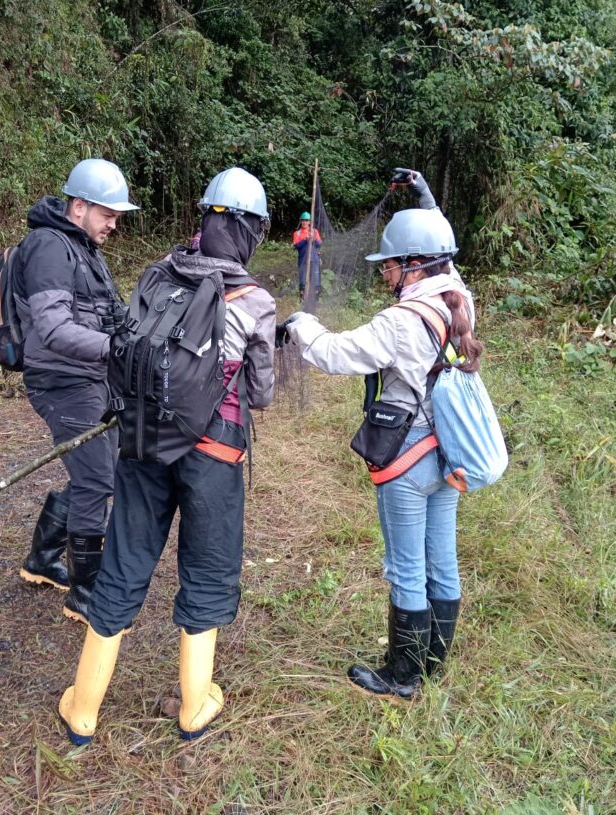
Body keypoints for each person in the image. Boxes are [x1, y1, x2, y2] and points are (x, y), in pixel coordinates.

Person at [58, 166, 276, 744]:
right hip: (215, 454)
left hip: (143, 443)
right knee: (206, 568)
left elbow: (128, 345)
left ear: (203, 219)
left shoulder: (159, 273)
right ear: (253, 231)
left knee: (126, 560)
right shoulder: (254, 300)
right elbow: (262, 395)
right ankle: (194, 706)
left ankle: (83, 708)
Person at [282, 169, 481, 702]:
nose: (386, 273)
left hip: (408, 462)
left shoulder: (401, 321)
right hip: (448, 455)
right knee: (443, 559)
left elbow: (335, 352)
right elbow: (441, 242)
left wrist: (301, 324)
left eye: (390, 264)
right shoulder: (458, 296)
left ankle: (402, 676)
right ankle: (433, 663)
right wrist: (423, 196)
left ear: (413, 265)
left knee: (406, 567)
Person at [15, 158, 139, 623]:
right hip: (62, 382)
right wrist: (119, 350)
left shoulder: (83, 246)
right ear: (79, 205)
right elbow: (52, 328)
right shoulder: (49, 246)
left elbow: (108, 312)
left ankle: (42, 561)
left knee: (97, 468)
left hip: (92, 377)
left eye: (118, 215)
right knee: (97, 480)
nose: (114, 222)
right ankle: (86, 593)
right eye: (108, 213)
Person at [292, 211, 322, 299]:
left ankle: (316, 297)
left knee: (315, 277)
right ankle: (302, 296)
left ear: (310, 222)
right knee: (303, 278)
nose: (304, 222)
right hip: (302, 259)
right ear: (301, 221)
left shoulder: (314, 231)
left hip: (314, 258)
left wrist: (314, 239)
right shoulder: (296, 233)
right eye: (303, 220)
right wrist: (305, 239)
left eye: (306, 220)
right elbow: (296, 246)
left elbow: (319, 244)